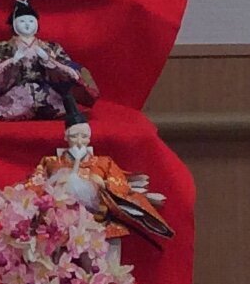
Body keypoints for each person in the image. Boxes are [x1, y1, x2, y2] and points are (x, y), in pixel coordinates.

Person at [29, 99, 170, 257]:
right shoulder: (51, 162)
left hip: (98, 219)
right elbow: (34, 186)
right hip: (63, 221)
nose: (79, 142)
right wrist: (55, 184)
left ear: (89, 138)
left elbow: (122, 186)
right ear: (66, 137)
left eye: (84, 137)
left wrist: (103, 183)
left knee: (111, 236)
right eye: (75, 136)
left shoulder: (104, 162)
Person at [0, 0, 97, 118]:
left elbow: (67, 66)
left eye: (31, 20)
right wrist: (12, 61)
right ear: (14, 24)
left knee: (60, 103)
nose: (27, 24)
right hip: (16, 89)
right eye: (22, 21)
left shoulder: (50, 46)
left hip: (45, 88)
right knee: (9, 105)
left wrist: (49, 61)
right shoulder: (3, 47)